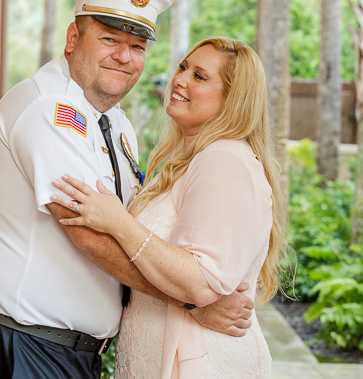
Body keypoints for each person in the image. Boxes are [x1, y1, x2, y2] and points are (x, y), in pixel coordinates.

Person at [0, 0, 255, 379]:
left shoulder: (116, 123)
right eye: (110, 40)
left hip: (62, 351)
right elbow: (88, 233)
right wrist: (191, 302)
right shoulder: (48, 109)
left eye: (138, 47)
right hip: (19, 344)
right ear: (73, 37)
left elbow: (123, 221)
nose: (125, 57)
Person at [49, 36, 286, 378]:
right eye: (183, 67)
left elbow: (203, 282)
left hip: (201, 361)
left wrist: (118, 221)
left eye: (200, 77)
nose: (180, 79)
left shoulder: (225, 160)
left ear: (233, 99)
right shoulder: (194, 160)